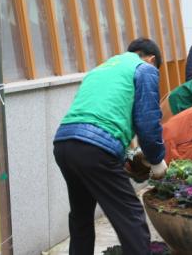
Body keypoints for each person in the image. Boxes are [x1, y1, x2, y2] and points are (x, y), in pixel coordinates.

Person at [53, 38, 167, 255]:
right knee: (131, 216)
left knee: (81, 217)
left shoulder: (100, 69)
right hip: (95, 149)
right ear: (151, 59)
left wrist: (122, 157)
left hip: (64, 143)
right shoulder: (145, 69)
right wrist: (156, 159)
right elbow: (147, 120)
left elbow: (105, 113)